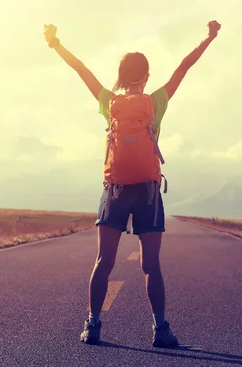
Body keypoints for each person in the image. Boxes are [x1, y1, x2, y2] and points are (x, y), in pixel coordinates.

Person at [42, 20, 221, 347]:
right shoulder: (156, 103)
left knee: (103, 261)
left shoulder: (109, 101)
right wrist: (209, 37)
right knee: (151, 265)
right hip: (148, 193)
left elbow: (80, 68)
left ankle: (93, 325)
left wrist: (56, 44)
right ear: (147, 76)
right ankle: (160, 330)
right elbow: (185, 65)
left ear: (121, 76)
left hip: (115, 190)